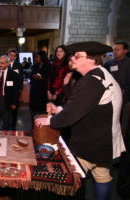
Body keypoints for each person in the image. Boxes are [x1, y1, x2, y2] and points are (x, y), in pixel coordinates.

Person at [35, 41, 126, 200]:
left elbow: (72, 113)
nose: (73, 59)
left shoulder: (92, 80)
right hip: (105, 140)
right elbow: (84, 106)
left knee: (71, 177)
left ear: (91, 60)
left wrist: (51, 121)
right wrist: (59, 109)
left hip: (92, 142)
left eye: (77, 56)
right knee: (102, 175)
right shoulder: (100, 74)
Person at [0, 55, 19, 130]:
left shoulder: (13, 74)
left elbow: (16, 90)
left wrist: (14, 103)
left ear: (8, 63)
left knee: (6, 124)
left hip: (8, 101)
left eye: (2, 63)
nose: (0, 65)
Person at [29, 51, 50, 115]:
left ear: (42, 57)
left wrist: (42, 78)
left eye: (37, 57)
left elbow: (49, 77)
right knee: (34, 107)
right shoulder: (35, 65)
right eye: (35, 57)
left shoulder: (48, 65)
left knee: (41, 107)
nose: (35, 58)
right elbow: (31, 74)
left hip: (42, 88)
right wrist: (33, 76)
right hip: (34, 88)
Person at [8, 49, 23, 130]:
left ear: (16, 57)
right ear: (8, 55)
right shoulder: (5, 63)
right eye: (10, 55)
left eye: (13, 55)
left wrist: (20, 89)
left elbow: (21, 78)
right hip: (6, 90)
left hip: (15, 89)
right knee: (6, 108)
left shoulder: (19, 65)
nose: (11, 57)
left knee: (14, 108)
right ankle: (6, 124)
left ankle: (13, 125)